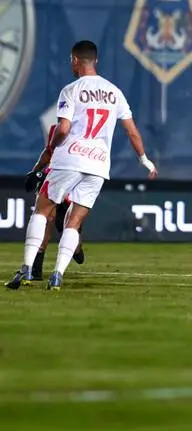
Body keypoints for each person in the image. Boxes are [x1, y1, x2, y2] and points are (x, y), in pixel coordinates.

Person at [6, 40, 157, 291]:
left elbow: (63, 129)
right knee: (73, 223)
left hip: (70, 159)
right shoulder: (115, 92)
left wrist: (52, 151)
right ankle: (57, 276)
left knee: (42, 211)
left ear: (75, 60)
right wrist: (145, 160)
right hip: (98, 165)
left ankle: (27, 267)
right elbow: (132, 133)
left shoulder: (71, 90)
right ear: (94, 60)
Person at [24, 123, 85, 281]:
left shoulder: (86, 129)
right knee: (46, 219)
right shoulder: (56, 129)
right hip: (55, 176)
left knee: (69, 226)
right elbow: (49, 152)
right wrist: (36, 170)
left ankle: (75, 249)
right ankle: (35, 269)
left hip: (73, 180)